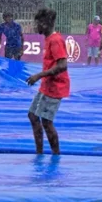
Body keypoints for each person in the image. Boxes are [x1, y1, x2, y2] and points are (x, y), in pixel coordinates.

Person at [26, 8, 70, 155]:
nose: (35, 26)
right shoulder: (48, 39)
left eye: (37, 23)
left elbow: (62, 65)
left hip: (55, 87)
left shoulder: (56, 40)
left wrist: (39, 75)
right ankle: (39, 152)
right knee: (33, 115)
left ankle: (56, 154)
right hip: (46, 85)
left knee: (46, 121)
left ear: (44, 24)